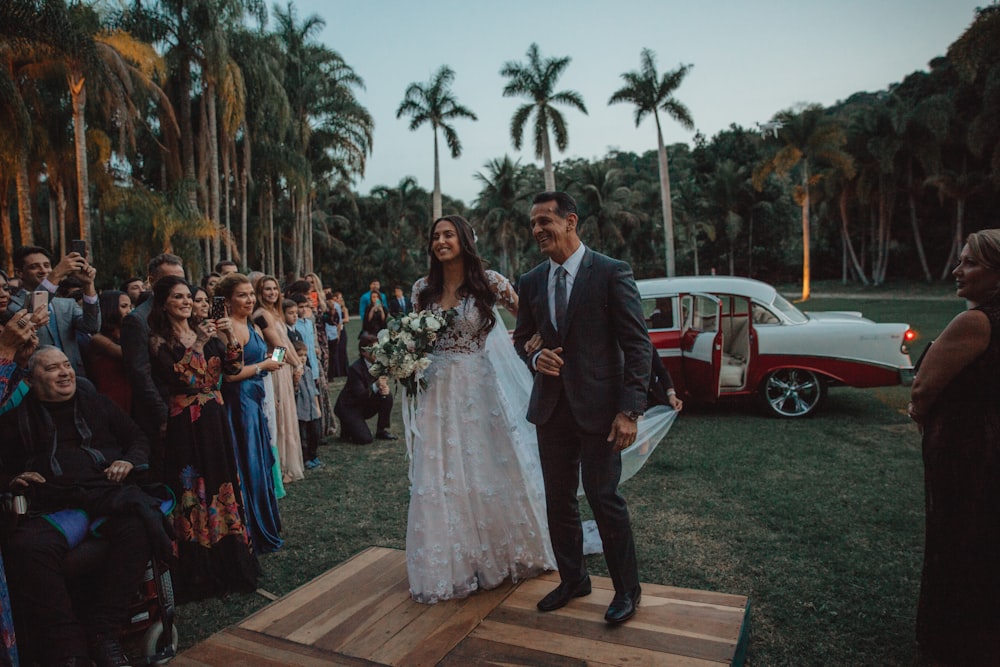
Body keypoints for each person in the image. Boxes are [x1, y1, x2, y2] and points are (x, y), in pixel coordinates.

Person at [513, 191, 650, 625]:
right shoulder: (531, 280)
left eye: (544, 221)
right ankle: (574, 579)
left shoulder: (611, 273)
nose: (537, 230)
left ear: (570, 221)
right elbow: (521, 338)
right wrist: (536, 358)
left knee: (603, 498)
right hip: (551, 410)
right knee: (558, 500)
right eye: (532, 224)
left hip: (602, 411)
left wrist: (630, 410)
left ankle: (628, 591)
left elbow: (637, 344)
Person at [404, 214, 553, 604]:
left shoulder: (490, 283)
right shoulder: (422, 289)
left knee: (489, 463)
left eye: (448, 234)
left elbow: (529, 317)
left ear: (464, 240)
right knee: (442, 470)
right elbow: (415, 338)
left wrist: (538, 342)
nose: (440, 241)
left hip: (479, 385)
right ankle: (452, 560)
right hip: (437, 388)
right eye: (435, 236)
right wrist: (402, 360)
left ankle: (502, 551)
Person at [0, 346, 161, 667]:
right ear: (30, 380)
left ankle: (104, 634)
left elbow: (138, 438)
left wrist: (128, 461)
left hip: (106, 495)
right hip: (53, 503)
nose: (65, 372)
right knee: (25, 546)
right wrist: (13, 479)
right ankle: (70, 649)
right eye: (52, 368)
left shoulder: (97, 402)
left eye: (67, 365)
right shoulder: (15, 420)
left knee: (139, 524)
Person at [908, 229, 1000, 664]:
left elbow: (924, 386)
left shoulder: (975, 321)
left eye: (969, 263)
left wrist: (920, 413)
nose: (956, 270)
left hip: (967, 448)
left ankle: (952, 635)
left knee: (957, 537)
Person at [147, 276, 259, 601]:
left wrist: (226, 336)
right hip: (185, 423)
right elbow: (179, 376)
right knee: (192, 488)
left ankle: (230, 563)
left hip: (214, 417)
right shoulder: (158, 340)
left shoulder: (207, 333)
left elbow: (232, 367)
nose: (186, 302)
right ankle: (200, 570)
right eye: (178, 297)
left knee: (221, 482)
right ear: (164, 302)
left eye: (189, 297)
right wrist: (196, 342)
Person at [219, 273, 284, 554]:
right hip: (240, 404)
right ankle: (253, 530)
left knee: (261, 460)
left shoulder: (251, 323)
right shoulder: (228, 327)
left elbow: (273, 351)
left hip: (255, 400)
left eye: (250, 294)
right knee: (249, 462)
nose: (249, 299)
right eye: (242, 295)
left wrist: (273, 361)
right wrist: (263, 367)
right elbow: (231, 375)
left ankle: (266, 523)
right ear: (228, 300)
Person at [120, 253, 186, 480]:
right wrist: (162, 415)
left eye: (182, 278)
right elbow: (139, 374)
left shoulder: (184, 315)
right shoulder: (137, 320)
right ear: (152, 280)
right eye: (170, 279)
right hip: (160, 408)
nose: (178, 285)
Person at [8, 246, 100, 376]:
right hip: (33, 380)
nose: (44, 270)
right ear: (19, 273)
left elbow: (92, 326)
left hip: (73, 377)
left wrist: (88, 284)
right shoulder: (11, 305)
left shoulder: (66, 304)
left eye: (47, 265)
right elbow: (32, 314)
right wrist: (56, 274)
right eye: (35, 266)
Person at [254, 276, 305, 484]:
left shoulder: (276, 313)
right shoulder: (260, 315)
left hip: (283, 367)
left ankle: (287, 466)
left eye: (275, 288)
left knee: (287, 415)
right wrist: (285, 364)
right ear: (260, 292)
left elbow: (286, 343)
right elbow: (277, 346)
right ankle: (280, 468)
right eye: (267, 289)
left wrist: (297, 364)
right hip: (274, 369)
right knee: (279, 418)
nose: (272, 292)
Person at [334, 332, 396, 445]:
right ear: (363, 352)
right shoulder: (354, 369)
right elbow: (360, 394)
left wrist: (384, 388)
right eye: (373, 349)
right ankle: (347, 428)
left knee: (387, 396)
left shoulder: (379, 364)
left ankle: (382, 430)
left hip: (365, 403)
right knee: (365, 439)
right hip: (350, 408)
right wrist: (376, 385)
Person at [86, 290, 134, 412]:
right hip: (111, 397)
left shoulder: (127, 333)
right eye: (124, 306)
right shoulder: (98, 339)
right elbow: (127, 354)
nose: (129, 311)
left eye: (130, 306)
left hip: (132, 395)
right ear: (110, 308)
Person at [292, 339, 323, 469]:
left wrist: (317, 407)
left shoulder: (309, 371)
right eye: (300, 355)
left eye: (305, 355)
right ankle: (305, 458)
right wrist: (296, 381)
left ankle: (313, 455)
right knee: (303, 437)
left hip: (312, 409)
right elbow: (294, 392)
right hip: (301, 411)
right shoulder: (293, 373)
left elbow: (314, 390)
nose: (303, 358)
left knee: (315, 434)